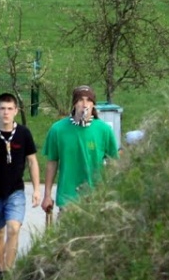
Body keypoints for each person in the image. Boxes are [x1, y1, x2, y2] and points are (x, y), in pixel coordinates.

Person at [0, 93, 41, 279]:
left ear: (16, 111)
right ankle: (2, 271)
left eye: (10, 109)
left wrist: (36, 189)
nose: (6, 112)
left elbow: (33, 161)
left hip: (15, 191)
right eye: (2, 108)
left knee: (14, 228)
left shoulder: (23, 133)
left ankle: (9, 273)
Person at [41, 85, 119, 214]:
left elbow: (114, 162)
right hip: (68, 197)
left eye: (88, 100)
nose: (84, 104)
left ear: (93, 104)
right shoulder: (58, 129)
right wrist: (47, 195)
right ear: (74, 104)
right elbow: (52, 162)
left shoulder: (104, 130)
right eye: (80, 100)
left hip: (96, 197)